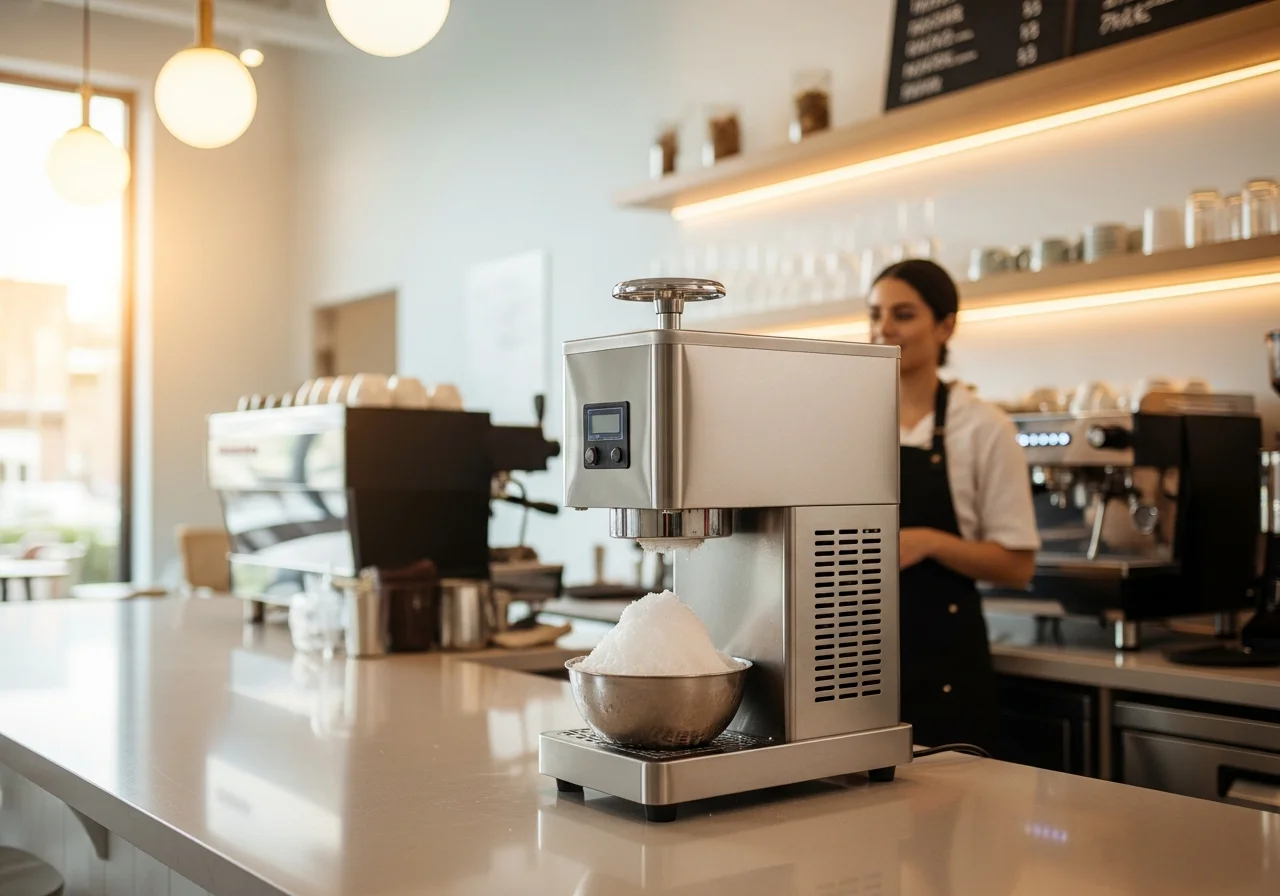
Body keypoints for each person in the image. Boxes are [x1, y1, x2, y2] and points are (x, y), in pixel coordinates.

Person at [868, 259, 1039, 753]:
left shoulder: (984, 428)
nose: (882, 329)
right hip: (855, 662)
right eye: (875, 313)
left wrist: (929, 542)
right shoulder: (850, 418)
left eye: (902, 315)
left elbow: (1018, 565)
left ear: (946, 326)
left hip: (945, 669)